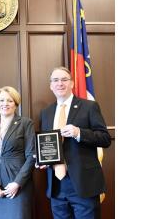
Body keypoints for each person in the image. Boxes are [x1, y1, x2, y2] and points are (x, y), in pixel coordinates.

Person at [36, 66, 111, 219]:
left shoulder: (89, 106)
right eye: (55, 80)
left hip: (84, 184)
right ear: (51, 86)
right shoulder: (46, 113)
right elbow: (47, 143)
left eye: (64, 79)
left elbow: (105, 138)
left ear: (72, 83)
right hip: (56, 186)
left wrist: (79, 133)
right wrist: (42, 160)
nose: (60, 83)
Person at [0, 86, 35, 219]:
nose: (5, 104)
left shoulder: (25, 123)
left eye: (9, 101)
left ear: (16, 104)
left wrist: (17, 183)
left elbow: (31, 156)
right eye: (1, 100)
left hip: (18, 185)